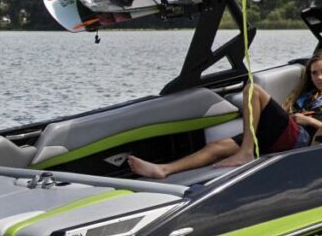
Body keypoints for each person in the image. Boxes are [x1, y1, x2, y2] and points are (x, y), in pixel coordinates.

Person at [126, 76, 308, 179]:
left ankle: (246, 152)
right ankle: (164, 169)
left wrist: (311, 121)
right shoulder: (305, 94)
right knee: (216, 146)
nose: (320, 77)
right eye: (315, 73)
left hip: (300, 135)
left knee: (252, 89)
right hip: (281, 129)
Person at [283, 49, 322, 137]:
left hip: (306, 138)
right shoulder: (305, 96)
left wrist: (309, 121)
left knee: (257, 93)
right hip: (289, 131)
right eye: (314, 73)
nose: (320, 77)